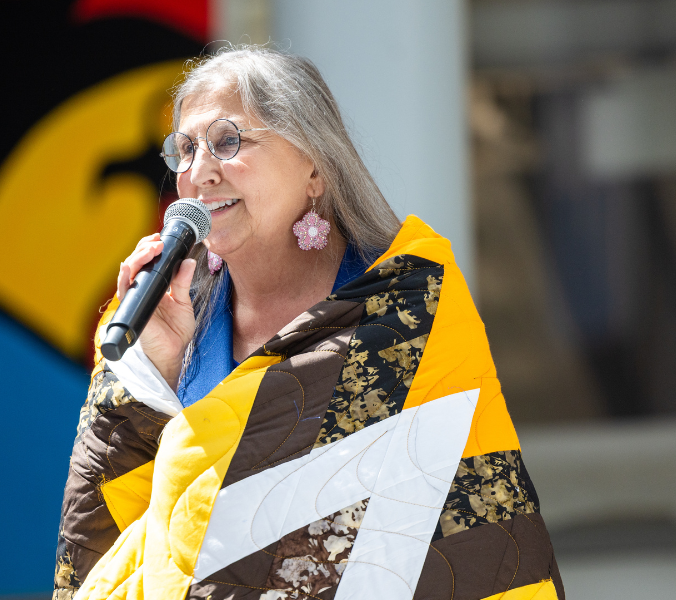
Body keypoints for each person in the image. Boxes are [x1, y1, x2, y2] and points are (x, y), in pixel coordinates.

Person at [54, 46, 564, 600]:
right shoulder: (163, 318)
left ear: (315, 167)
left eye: (228, 141)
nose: (199, 172)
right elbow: (101, 531)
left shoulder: (407, 310)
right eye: (185, 149)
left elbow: (454, 532)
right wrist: (155, 371)